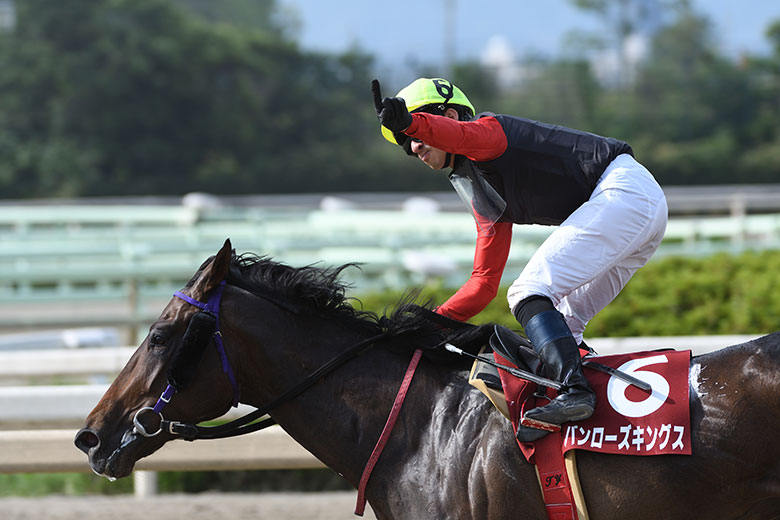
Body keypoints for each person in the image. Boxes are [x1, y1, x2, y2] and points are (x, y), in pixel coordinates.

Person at [371, 77, 668, 431]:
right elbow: (483, 284)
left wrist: (411, 123)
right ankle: (596, 418)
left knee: (529, 290)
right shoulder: (482, 194)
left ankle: (575, 394)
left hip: (625, 193)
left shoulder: (489, 132)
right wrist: (428, 322)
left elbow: (463, 136)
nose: (414, 146)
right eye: (406, 143)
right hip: (639, 206)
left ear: (449, 116)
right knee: (565, 324)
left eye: (416, 136)